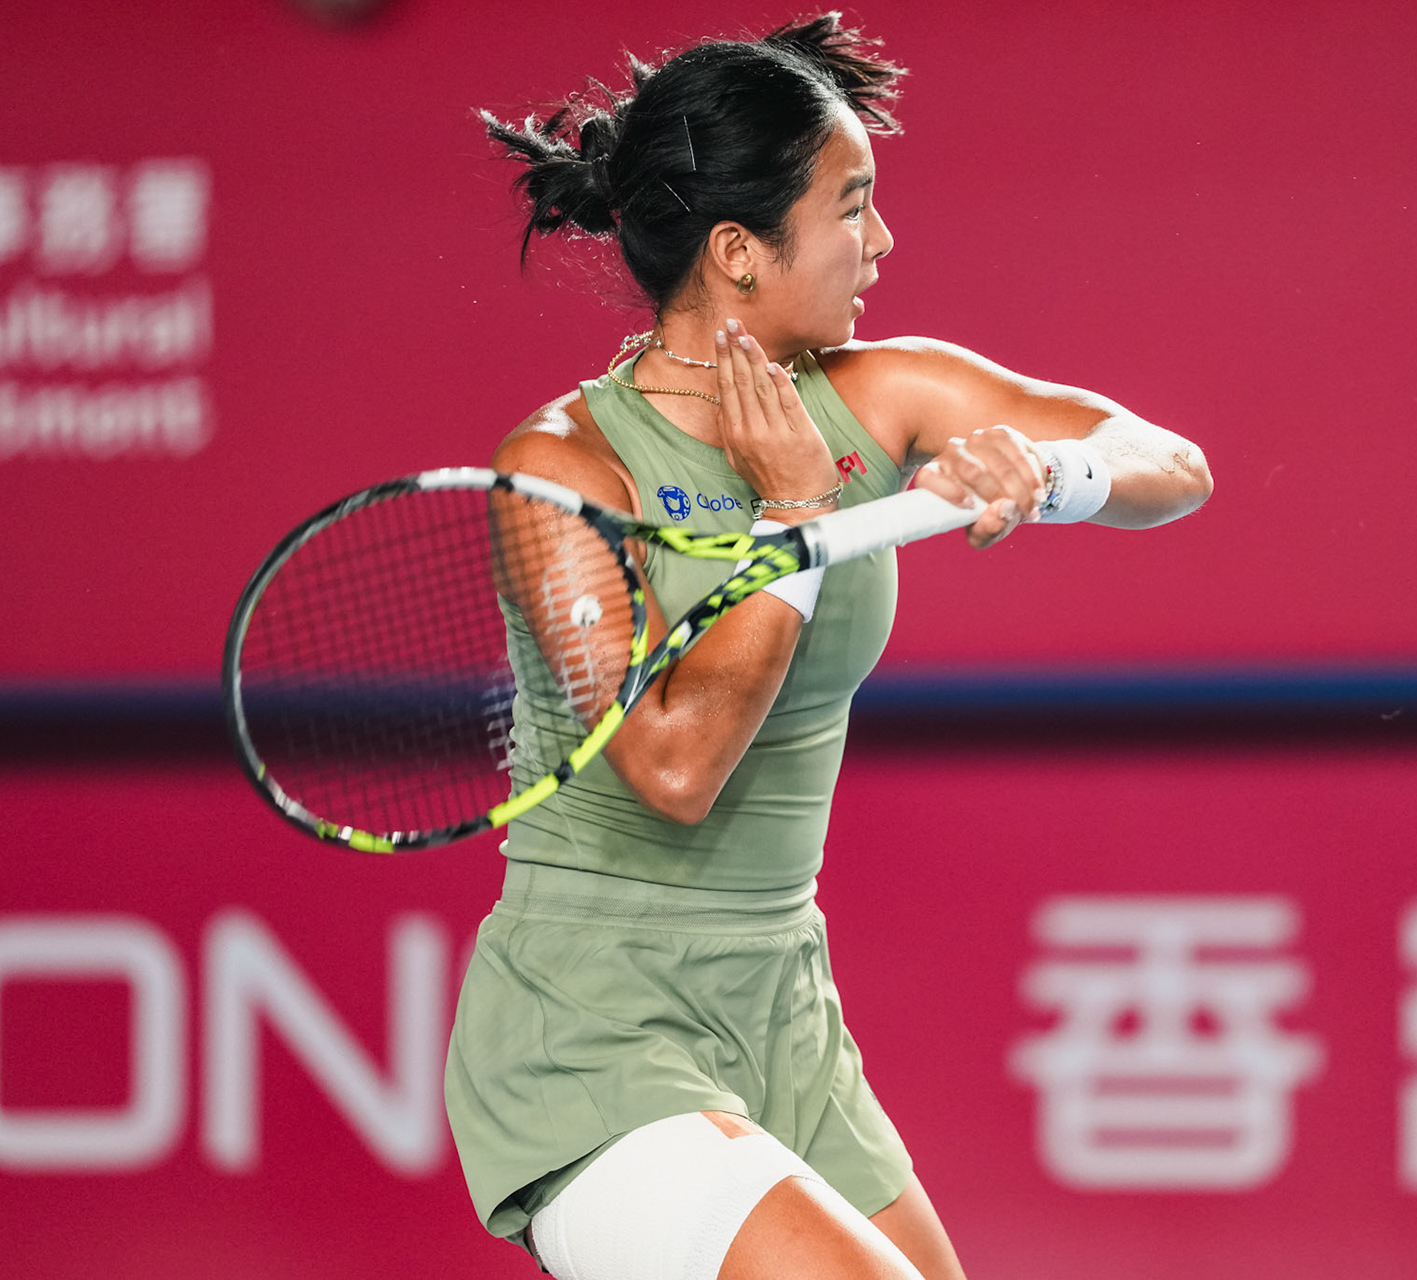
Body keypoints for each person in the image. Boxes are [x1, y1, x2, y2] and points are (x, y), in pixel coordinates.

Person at [445, 15, 1212, 1280]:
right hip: (590, 1027)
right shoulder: (561, 467)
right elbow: (675, 767)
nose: (884, 242)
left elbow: (1173, 465)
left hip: (784, 1010)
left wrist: (1048, 468)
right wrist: (794, 515)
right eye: (852, 206)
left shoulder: (878, 392)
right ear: (739, 253)